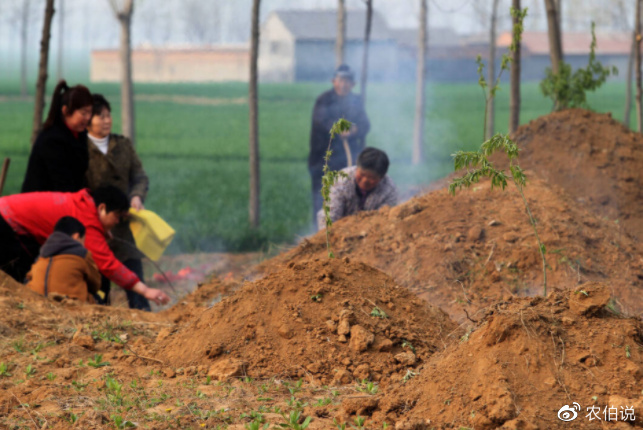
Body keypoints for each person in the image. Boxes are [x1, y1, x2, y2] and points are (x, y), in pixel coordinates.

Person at [0, 186, 170, 306]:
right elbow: (108, 264)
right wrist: (145, 290)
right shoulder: (87, 218)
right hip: (5, 223)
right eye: (117, 216)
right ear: (102, 208)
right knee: (14, 278)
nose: (117, 222)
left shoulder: (84, 204)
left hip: (9, 220)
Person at [85, 94, 151, 311]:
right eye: (99, 116)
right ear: (88, 119)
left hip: (125, 228)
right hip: (96, 228)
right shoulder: (80, 149)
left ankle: (146, 323)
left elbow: (139, 176)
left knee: (135, 283)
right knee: (98, 291)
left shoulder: (123, 145)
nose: (106, 120)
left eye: (108, 115)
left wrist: (136, 196)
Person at [308, 64, 370, 223]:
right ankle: (321, 235)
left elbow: (365, 124)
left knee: (347, 198)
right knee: (323, 199)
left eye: (347, 81)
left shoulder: (356, 101)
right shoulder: (324, 100)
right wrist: (337, 128)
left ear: (353, 84)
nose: (344, 84)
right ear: (333, 81)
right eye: (341, 80)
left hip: (347, 161)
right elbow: (321, 121)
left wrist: (354, 130)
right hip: (323, 159)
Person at [22, 80, 93, 193]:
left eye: (90, 113)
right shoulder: (52, 140)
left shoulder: (81, 135)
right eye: (84, 113)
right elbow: (63, 184)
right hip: (44, 204)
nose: (88, 118)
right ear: (65, 111)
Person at [317, 147, 398, 230]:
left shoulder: (389, 190)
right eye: (362, 174)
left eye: (371, 177)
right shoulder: (341, 181)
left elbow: (383, 221)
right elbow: (330, 215)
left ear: (381, 177)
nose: (365, 180)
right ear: (357, 167)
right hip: (339, 231)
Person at [26, 216, 101, 304]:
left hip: (37, 305)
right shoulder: (82, 254)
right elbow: (96, 285)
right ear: (76, 237)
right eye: (83, 241)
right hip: (70, 308)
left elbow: (27, 279)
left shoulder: (40, 257)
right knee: (97, 297)